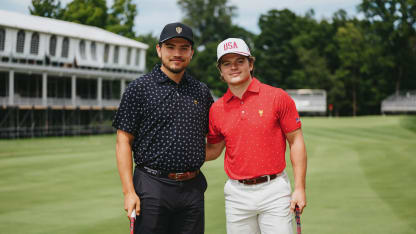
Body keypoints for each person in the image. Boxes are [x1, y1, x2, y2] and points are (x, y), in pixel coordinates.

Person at [112, 22, 214, 234]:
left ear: (191, 53)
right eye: (170, 47)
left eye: (183, 48)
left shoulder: (201, 91)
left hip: (192, 188)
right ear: (159, 50)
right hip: (151, 186)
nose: (177, 53)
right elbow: (123, 141)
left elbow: (216, 136)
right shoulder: (139, 88)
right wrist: (128, 192)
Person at [205, 38, 307, 234]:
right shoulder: (216, 109)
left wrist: (300, 188)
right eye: (227, 63)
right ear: (220, 70)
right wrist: (177, 155)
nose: (233, 67)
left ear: (250, 64)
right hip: (236, 194)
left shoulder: (277, 97)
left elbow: (296, 142)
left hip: (274, 190)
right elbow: (214, 150)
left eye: (239, 61)